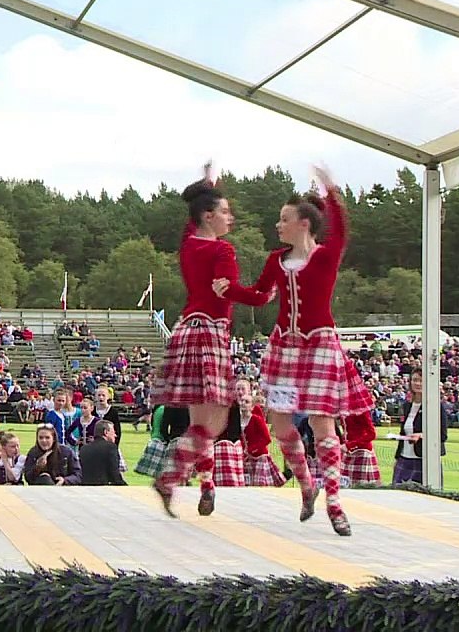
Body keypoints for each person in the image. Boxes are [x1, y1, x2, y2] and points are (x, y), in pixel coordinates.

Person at [215, 165, 372, 537]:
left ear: (304, 223)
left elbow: (342, 228)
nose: (277, 225)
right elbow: (259, 295)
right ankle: (305, 483)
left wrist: (331, 190)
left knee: (322, 423)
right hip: (285, 347)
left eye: (284, 219)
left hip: (318, 344)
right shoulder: (277, 260)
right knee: (281, 423)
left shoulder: (325, 256)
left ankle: (334, 500)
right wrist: (231, 290)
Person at [151, 163, 254, 517]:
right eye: (225, 212)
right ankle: (174, 476)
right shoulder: (221, 251)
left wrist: (206, 185)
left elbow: (188, 218)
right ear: (209, 216)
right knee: (216, 419)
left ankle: (206, 485)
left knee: (200, 417)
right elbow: (229, 288)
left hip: (186, 329)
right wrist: (263, 292)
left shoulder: (188, 242)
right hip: (211, 331)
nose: (231, 218)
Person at [393, 370, 447, 485]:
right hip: (404, 459)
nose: (418, 383)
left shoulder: (435, 406)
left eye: (421, 381)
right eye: (415, 380)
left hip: (425, 460)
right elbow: (403, 432)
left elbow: (442, 435)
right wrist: (397, 458)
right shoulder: (407, 406)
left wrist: (421, 435)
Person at [79, 421, 126, 486]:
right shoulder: (111, 447)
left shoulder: (83, 449)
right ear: (106, 432)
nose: (115, 435)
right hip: (104, 489)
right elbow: (115, 474)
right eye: (113, 432)